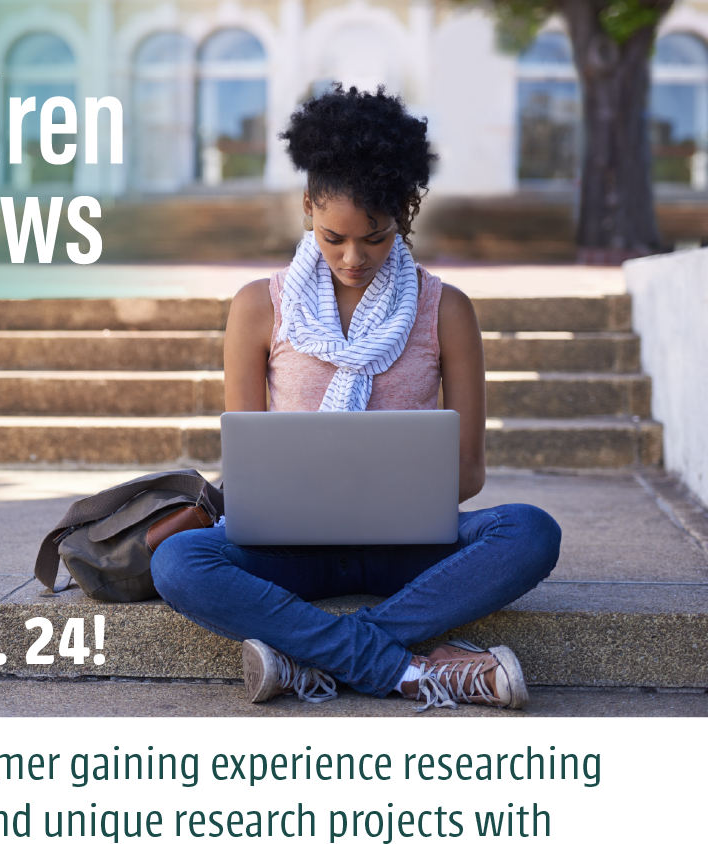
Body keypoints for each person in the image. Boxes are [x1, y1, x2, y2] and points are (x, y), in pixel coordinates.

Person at [150, 85, 561, 710]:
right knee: (179, 562)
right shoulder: (259, 306)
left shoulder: (445, 310)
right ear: (308, 205)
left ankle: (314, 657)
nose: (353, 258)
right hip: (291, 549)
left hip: (409, 548)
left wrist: (389, 495)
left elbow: (470, 473)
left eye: (375, 237)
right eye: (333, 236)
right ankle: (410, 670)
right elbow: (247, 468)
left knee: (530, 531)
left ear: (402, 213)